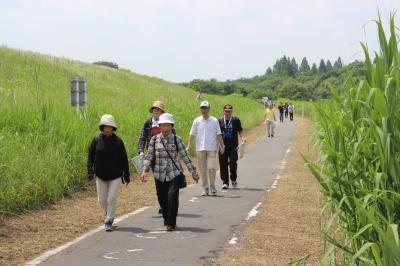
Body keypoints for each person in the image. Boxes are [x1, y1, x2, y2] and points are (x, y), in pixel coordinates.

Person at [140, 113, 199, 231]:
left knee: (172, 196)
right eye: (163, 125)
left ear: (172, 126)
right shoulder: (154, 139)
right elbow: (149, 156)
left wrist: (193, 172)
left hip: (174, 173)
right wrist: (144, 170)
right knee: (162, 199)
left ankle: (171, 223)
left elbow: (185, 156)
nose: (165, 128)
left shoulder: (177, 140)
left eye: (168, 125)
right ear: (159, 127)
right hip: (159, 174)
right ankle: (166, 218)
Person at [87, 114, 130, 232]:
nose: (107, 128)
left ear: (113, 128)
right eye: (105, 126)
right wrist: (90, 171)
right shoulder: (96, 140)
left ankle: (109, 220)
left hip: (115, 175)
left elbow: (124, 159)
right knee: (101, 200)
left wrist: (126, 175)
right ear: (102, 127)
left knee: (111, 198)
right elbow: (90, 156)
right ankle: (109, 212)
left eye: (109, 126)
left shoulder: (118, 142)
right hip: (100, 175)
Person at [138, 101, 175, 214]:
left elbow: (174, 138)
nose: (156, 111)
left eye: (158, 109)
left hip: (166, 155)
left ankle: (166, 203)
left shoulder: (168, 122)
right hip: (153, 154)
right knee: (158, 179)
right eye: (154, 109)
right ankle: (163, 204)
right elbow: (142, 137)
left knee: (167, 179)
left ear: (162, 111)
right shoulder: (148, 123)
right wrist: (140, 150)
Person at [187, 101, 225, 196]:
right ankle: (205, 188)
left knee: (211, 167)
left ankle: (212, 186)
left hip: (212, 147)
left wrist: (222, 145)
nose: (204, 110)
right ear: (200, 109)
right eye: (202, 108)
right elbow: (192, 134)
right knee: (203, 169)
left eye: (205, 108)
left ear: (209, 109)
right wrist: (189, 146)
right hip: (200, 148)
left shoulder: (214, 120)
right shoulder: (197, 121)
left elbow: (219, 134)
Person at [218, 104, 245, 189]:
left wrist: (243, 137)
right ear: (223, 111)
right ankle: (225, 182)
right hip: (222, 146)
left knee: (233, 162)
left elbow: (240, 131)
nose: (227, 113)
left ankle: (233, 179)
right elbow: (216, 133)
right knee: (223, 164)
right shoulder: (219, 121)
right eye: (226, 111)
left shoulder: (235, 120)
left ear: (231, 111)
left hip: (233, 145)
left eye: (229, 111)